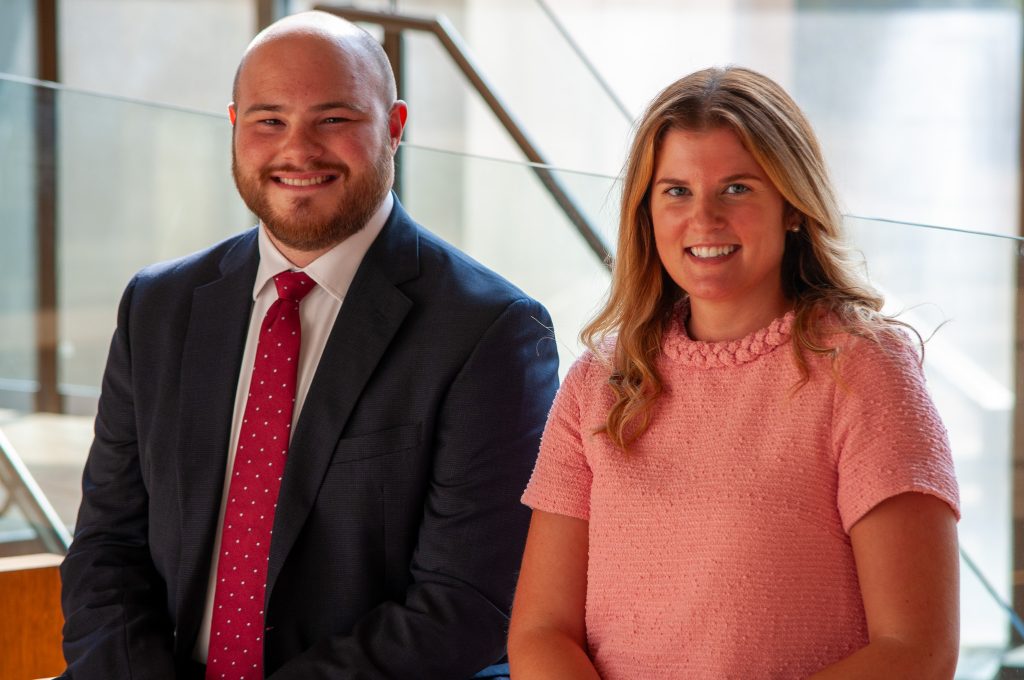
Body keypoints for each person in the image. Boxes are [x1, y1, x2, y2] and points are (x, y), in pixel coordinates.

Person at [59, 11, 559, 679]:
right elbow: (105, 549)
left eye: (334, 119)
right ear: (235, 128)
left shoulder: (490, 331)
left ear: (395, 127)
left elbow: (464, 605)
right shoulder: (159, 307)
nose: (298, 150)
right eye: (269, 121)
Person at [508, 66, 960, 679]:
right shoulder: (599, 382)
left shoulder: (863, 370)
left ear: (792, 207)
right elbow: (540, 633)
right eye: (676, 191)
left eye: (738, 188)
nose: (705, 219)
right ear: (646, 213)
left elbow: (917, 650)